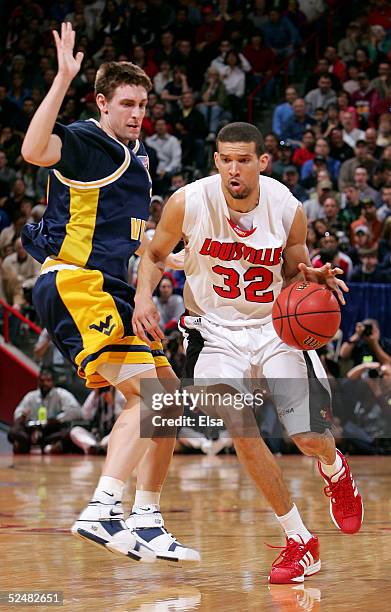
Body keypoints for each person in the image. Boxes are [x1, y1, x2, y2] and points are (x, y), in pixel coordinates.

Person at [133, 122, 363, 584]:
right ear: (215, 161)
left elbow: (297, 266)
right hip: (213, 331)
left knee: (308, 439)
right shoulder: (189, 202)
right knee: (239, 426)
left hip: (275, 327)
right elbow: (155, 254)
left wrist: (309, 280)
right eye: (225, 160)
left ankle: (335, 468)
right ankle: (300, 541)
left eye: (243, 160)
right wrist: (143, 299)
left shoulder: (285, 207)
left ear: (262, 161)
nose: (233, 169)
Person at [20, 23, 199, 565]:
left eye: (143, 104)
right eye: (126, 103)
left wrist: (192, 259)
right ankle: (102, 509)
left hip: (109, 287)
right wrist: (61, 79)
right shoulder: (86, 141)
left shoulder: (138, 158)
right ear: (103, 103)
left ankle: (146, 520)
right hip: (76, 283)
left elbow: (140, 239)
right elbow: (32, 149)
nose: (137, 112)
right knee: (148, 401)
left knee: (166, 403)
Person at [7, 368, 82, 454]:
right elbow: (17, 413)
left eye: (48, 380)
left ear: (53, 382)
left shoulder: (61, 394)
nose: (45, 383)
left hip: (51, 430)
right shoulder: (31, 396)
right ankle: (31, 444)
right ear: (38, 382)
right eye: (42, 381)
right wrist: (23, 416)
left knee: (69, 433)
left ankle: (48, 446)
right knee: (14, 431)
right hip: (32, 430)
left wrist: (58, 419)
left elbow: (77, 411)